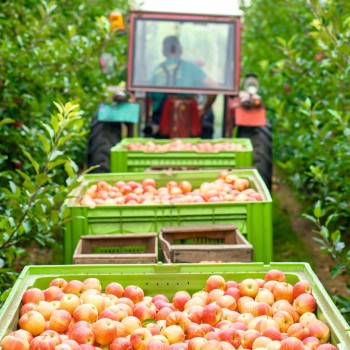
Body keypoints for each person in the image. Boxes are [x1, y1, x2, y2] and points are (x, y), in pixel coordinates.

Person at [145, 35, 217, 138]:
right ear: (181, 50)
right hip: (189, 119)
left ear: (163, 52)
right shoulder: (191, 67)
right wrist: (203, 109)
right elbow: (214, 87)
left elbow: (150, 97)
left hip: (160, 121)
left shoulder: (155, 70)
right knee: (207, 126)